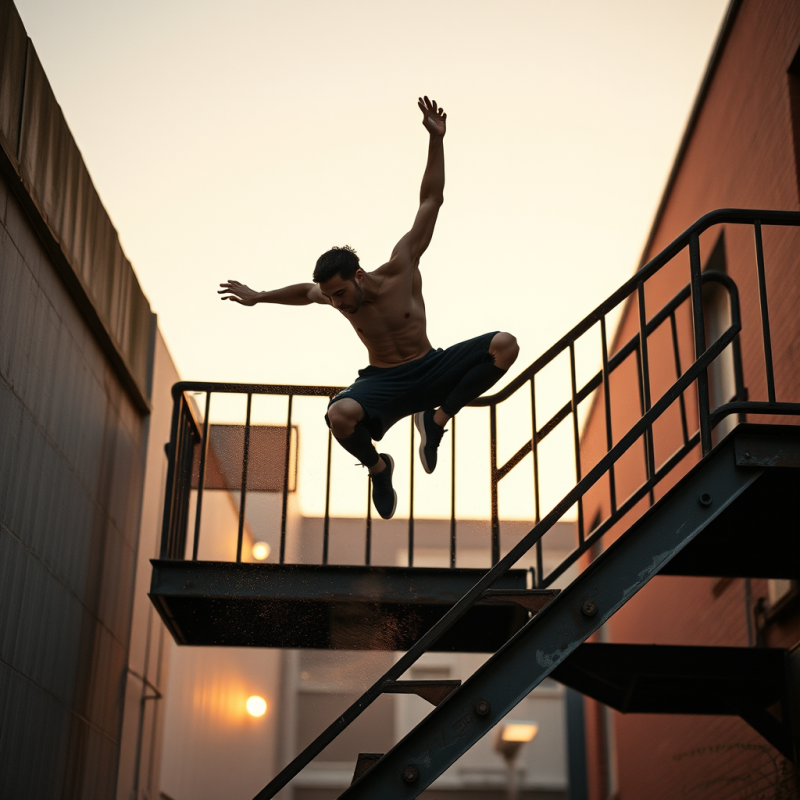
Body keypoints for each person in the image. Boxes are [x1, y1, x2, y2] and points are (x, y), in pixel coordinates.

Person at [219, 96, 519, 520]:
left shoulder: (402, 266)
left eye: (340, 293)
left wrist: (437, 141)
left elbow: (431, 200)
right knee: (338, 415)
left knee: (505, 345)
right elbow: (306, 292)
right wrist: (259, 295)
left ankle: (436, 422)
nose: (336, 303)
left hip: (430, 367)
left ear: (358, 276)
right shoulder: (331, 295)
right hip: (385, 382)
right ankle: (380, 469)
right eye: (332, 296)